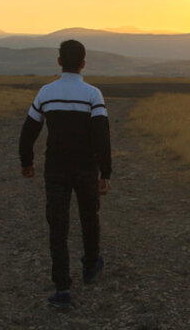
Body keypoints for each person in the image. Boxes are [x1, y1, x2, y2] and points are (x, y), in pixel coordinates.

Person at [19, 39, 112, 309]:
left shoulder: (46, 93)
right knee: (89, 217)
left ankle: (62, 289)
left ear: (59, 62)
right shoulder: (93, 95)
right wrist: (105, 172)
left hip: (56, 170)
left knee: (58, 227)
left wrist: (27, 161)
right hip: (85, 168)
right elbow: (102, 136)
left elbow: (29, 132)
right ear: (83, 63)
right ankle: (91, 265)